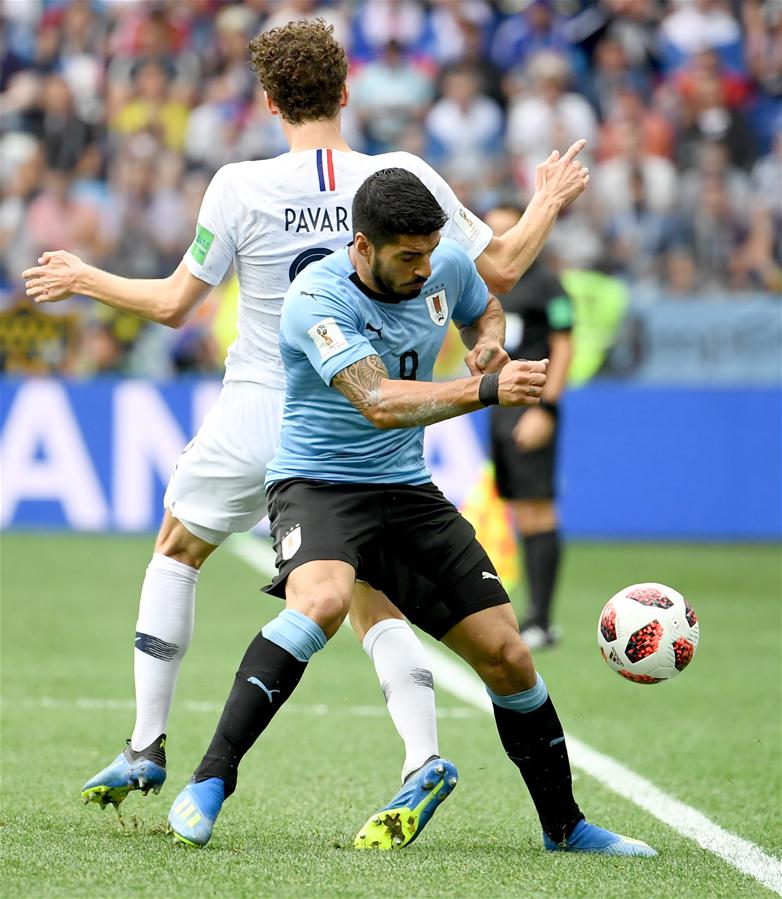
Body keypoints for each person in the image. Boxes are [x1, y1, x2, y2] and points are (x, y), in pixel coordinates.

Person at [21, 19, 589, 815]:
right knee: (370, 589)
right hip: (358, 415)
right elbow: (498, 267)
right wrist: (546, 202)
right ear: (348, 91)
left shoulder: (239, 184)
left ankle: (146, 744)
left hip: (261, 401)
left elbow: (176, 305)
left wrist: (86, 277)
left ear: (268, 102)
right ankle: (422, 753)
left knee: (179, 547)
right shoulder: (398, 176)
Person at [166, 168, 656, 860]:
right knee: (321, 603)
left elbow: (485, 305)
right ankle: (211, 778)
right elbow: (378, 400)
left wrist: (487, 339)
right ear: (363, 247)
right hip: (320, 486)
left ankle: (565, 827)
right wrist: (486, 386)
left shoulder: (443, 263)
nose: (425, 268)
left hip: (406, 489)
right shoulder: (316, 299)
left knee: (509, 655)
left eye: (429, 252)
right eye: (408, 256)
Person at [485, 204, 573, 650]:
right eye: (492, 232)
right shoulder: (486, 283)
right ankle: (534, 616)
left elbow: (564, 344)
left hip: (532, 406)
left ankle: (541, 619)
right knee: (520, 509)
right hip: (501, 407)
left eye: (508, 229)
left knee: (538, 509)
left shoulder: (546, 284)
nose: (500, 240)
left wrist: (548, 409)